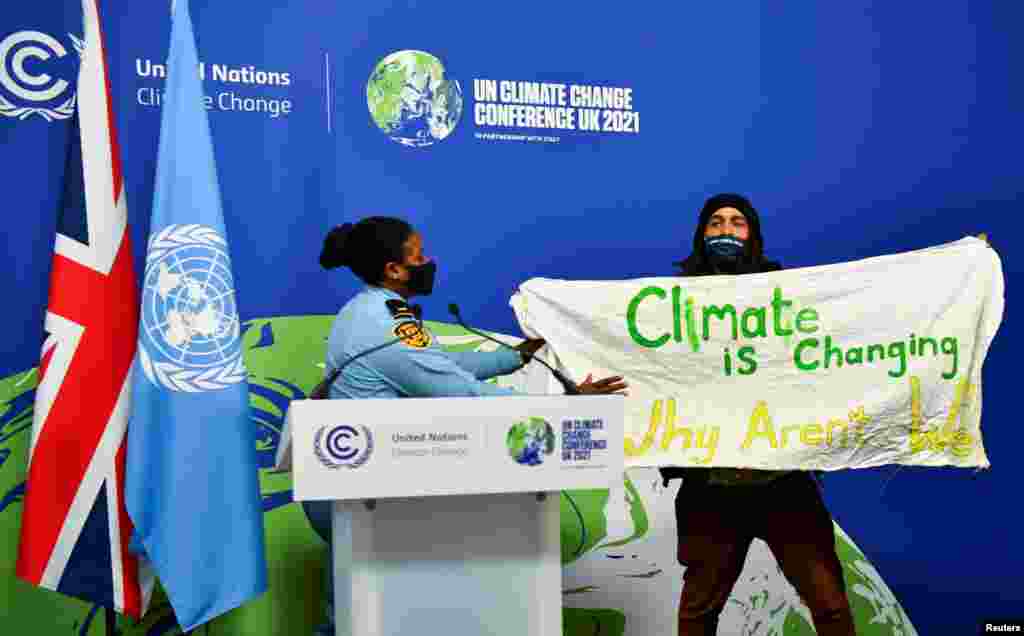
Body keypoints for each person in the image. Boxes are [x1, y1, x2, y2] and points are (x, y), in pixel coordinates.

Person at [304, 216, 627, 636]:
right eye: (418, 254)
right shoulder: (385, 324)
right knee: (367, 615)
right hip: (365, 494)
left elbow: (445, 364)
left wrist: (518, 355)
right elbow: (458, 391)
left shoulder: (371, 310)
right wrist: (565, 407)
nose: (429, 261)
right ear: (394, 269)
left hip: (354, 488)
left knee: (354, 613)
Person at [666, 194, 856, 636]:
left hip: (782, 486)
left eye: (737, 222)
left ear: (752, 234)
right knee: (698, 612)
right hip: (711, 488)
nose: (726, 230)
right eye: (715, 223)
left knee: (830, 604)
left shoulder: (786, 297)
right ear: (702, 234)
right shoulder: (670, 304)